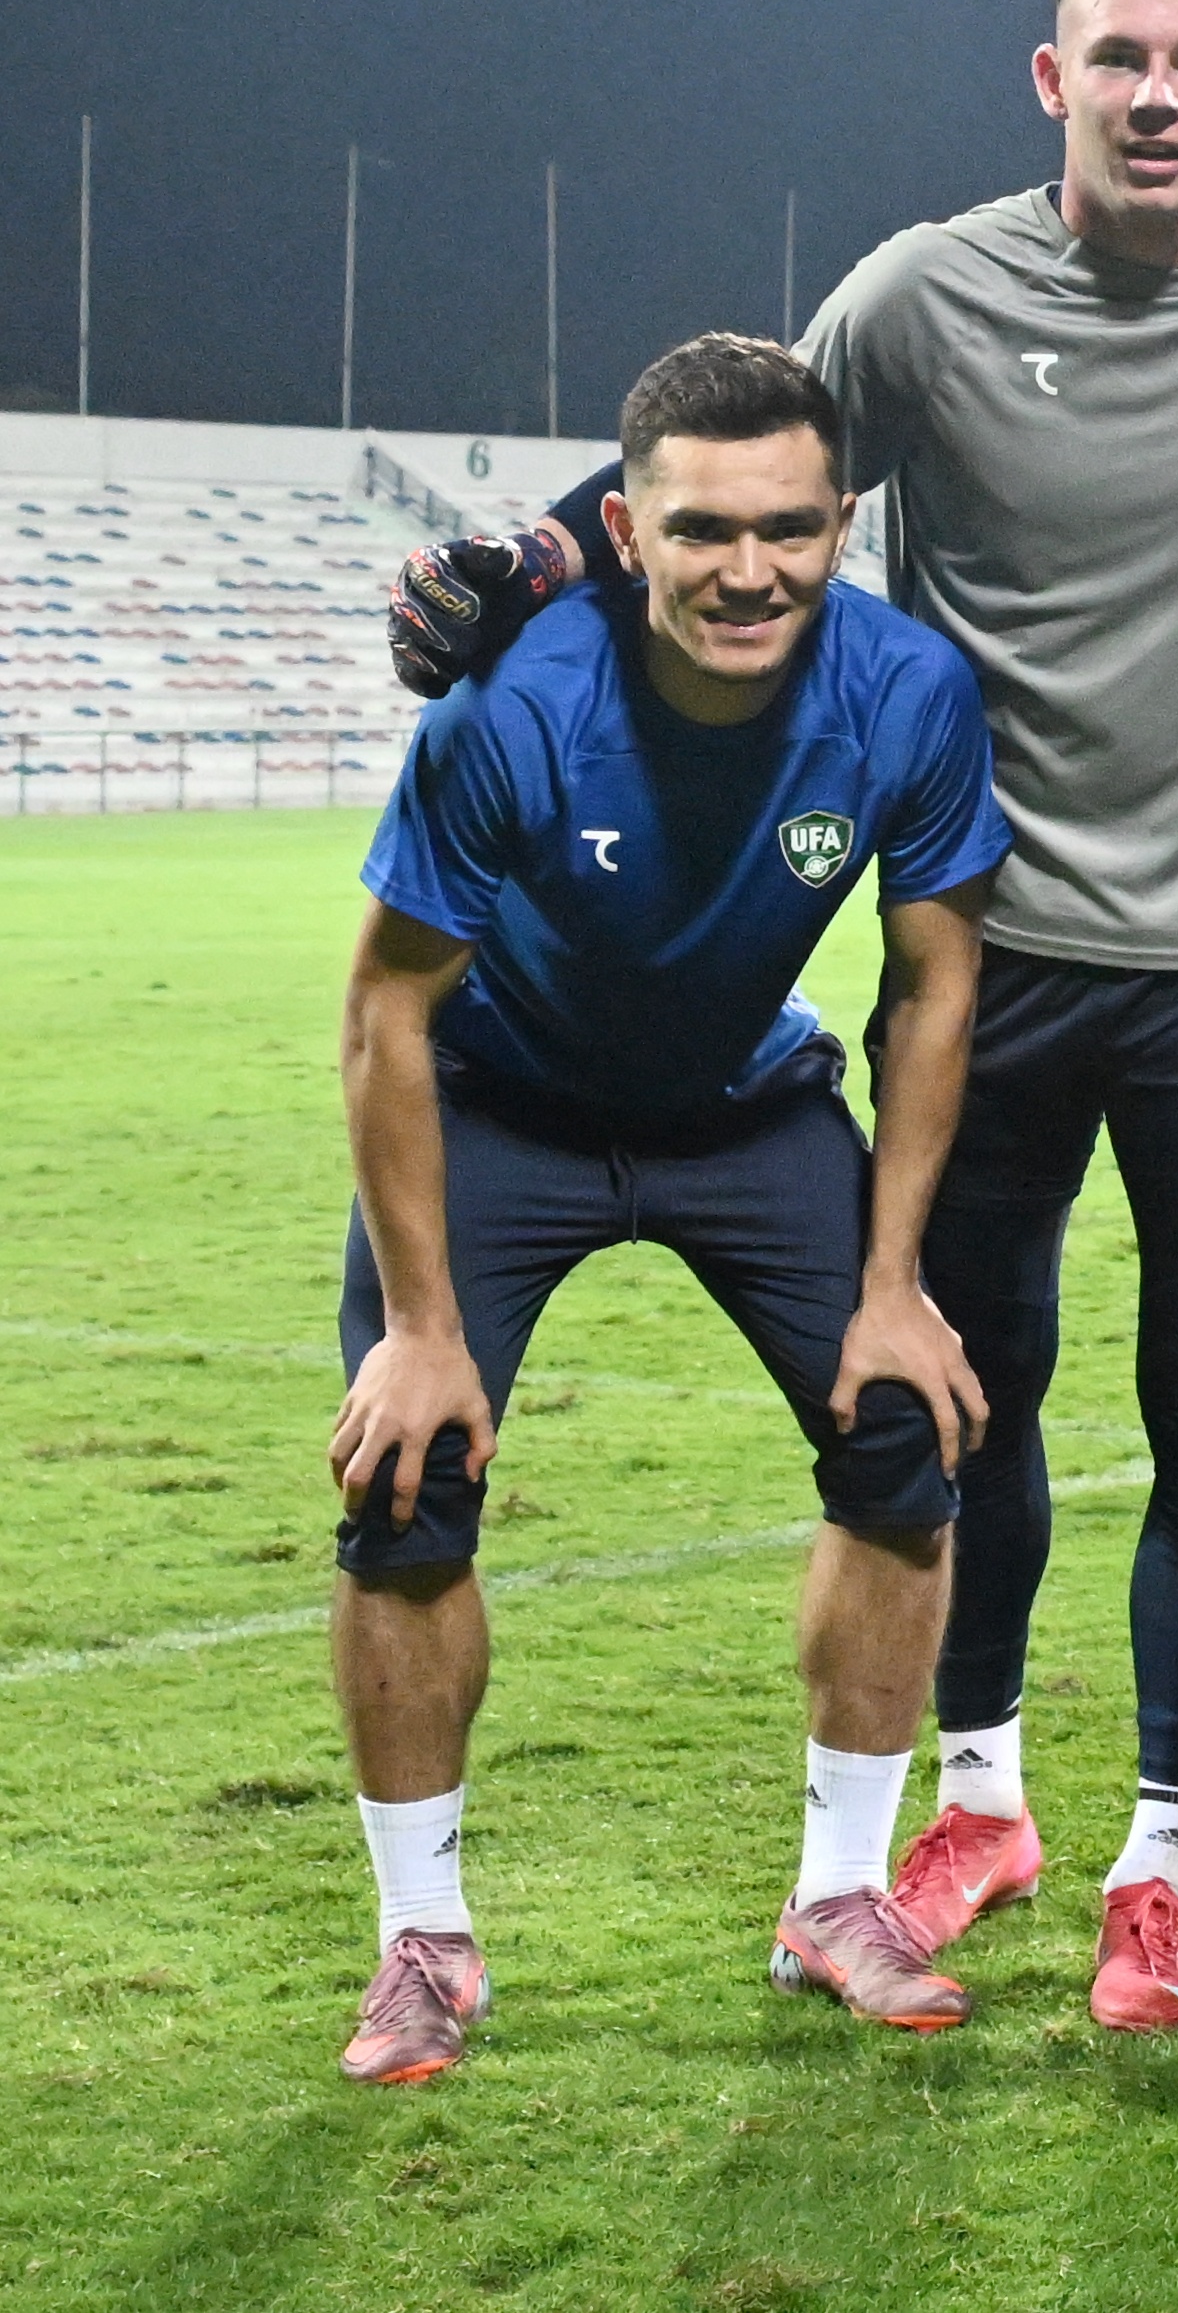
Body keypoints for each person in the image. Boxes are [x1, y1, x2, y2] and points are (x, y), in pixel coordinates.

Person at [383, 0, 1178, 2030]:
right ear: (1053, 81)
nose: (1155, 91)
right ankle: (981, 1800)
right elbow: (737, 470)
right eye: (1116, 55)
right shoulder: (921, 294)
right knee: (971, 1391)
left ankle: (1160, 1861)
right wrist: (531, 555)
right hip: (989, 955)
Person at [326, 338, 1005, 2080]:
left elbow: (934, 989)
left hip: (740, 1109)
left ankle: (838, 1897)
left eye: (788, 528)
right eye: (703, 530)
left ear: (841, 526)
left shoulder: (909, 692)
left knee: (901, 1434)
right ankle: (421, 1941)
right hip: (501, 1102)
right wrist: (420, 1329)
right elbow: (386, 1011)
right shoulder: (515, 706)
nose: (748, 570)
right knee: (406, 1479)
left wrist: (895, 1281)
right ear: (625, 533)